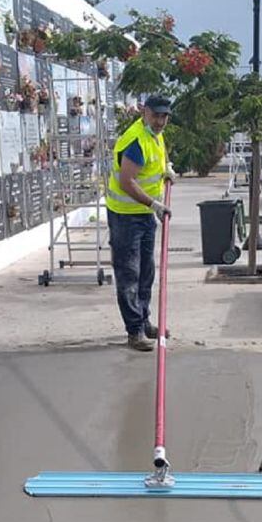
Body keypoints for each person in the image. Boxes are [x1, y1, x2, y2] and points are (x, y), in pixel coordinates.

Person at [106, 95, 177, 352]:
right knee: (129, 274)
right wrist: (154, 205)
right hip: (126, 215)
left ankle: (144, 321)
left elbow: (157, 158)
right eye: (156, 115)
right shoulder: (136, 139)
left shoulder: (155, 135)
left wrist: (166, 168)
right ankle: (134, 331)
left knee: (146, 271)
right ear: (144, 112)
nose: (160, 121)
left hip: (144, 214)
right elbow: (127, 181)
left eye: (165, 116)